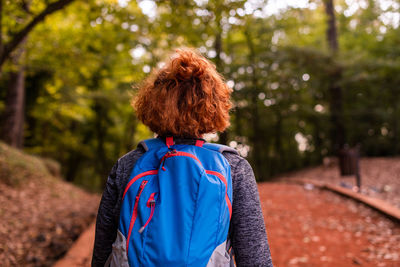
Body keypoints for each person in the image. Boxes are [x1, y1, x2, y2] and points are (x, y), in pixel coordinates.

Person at [92, 48, 273, 266]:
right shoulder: (233, 167)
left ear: (151, 104)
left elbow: (103, 251)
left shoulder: (129, 164)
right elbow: (254, 256)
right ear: (214, 106)